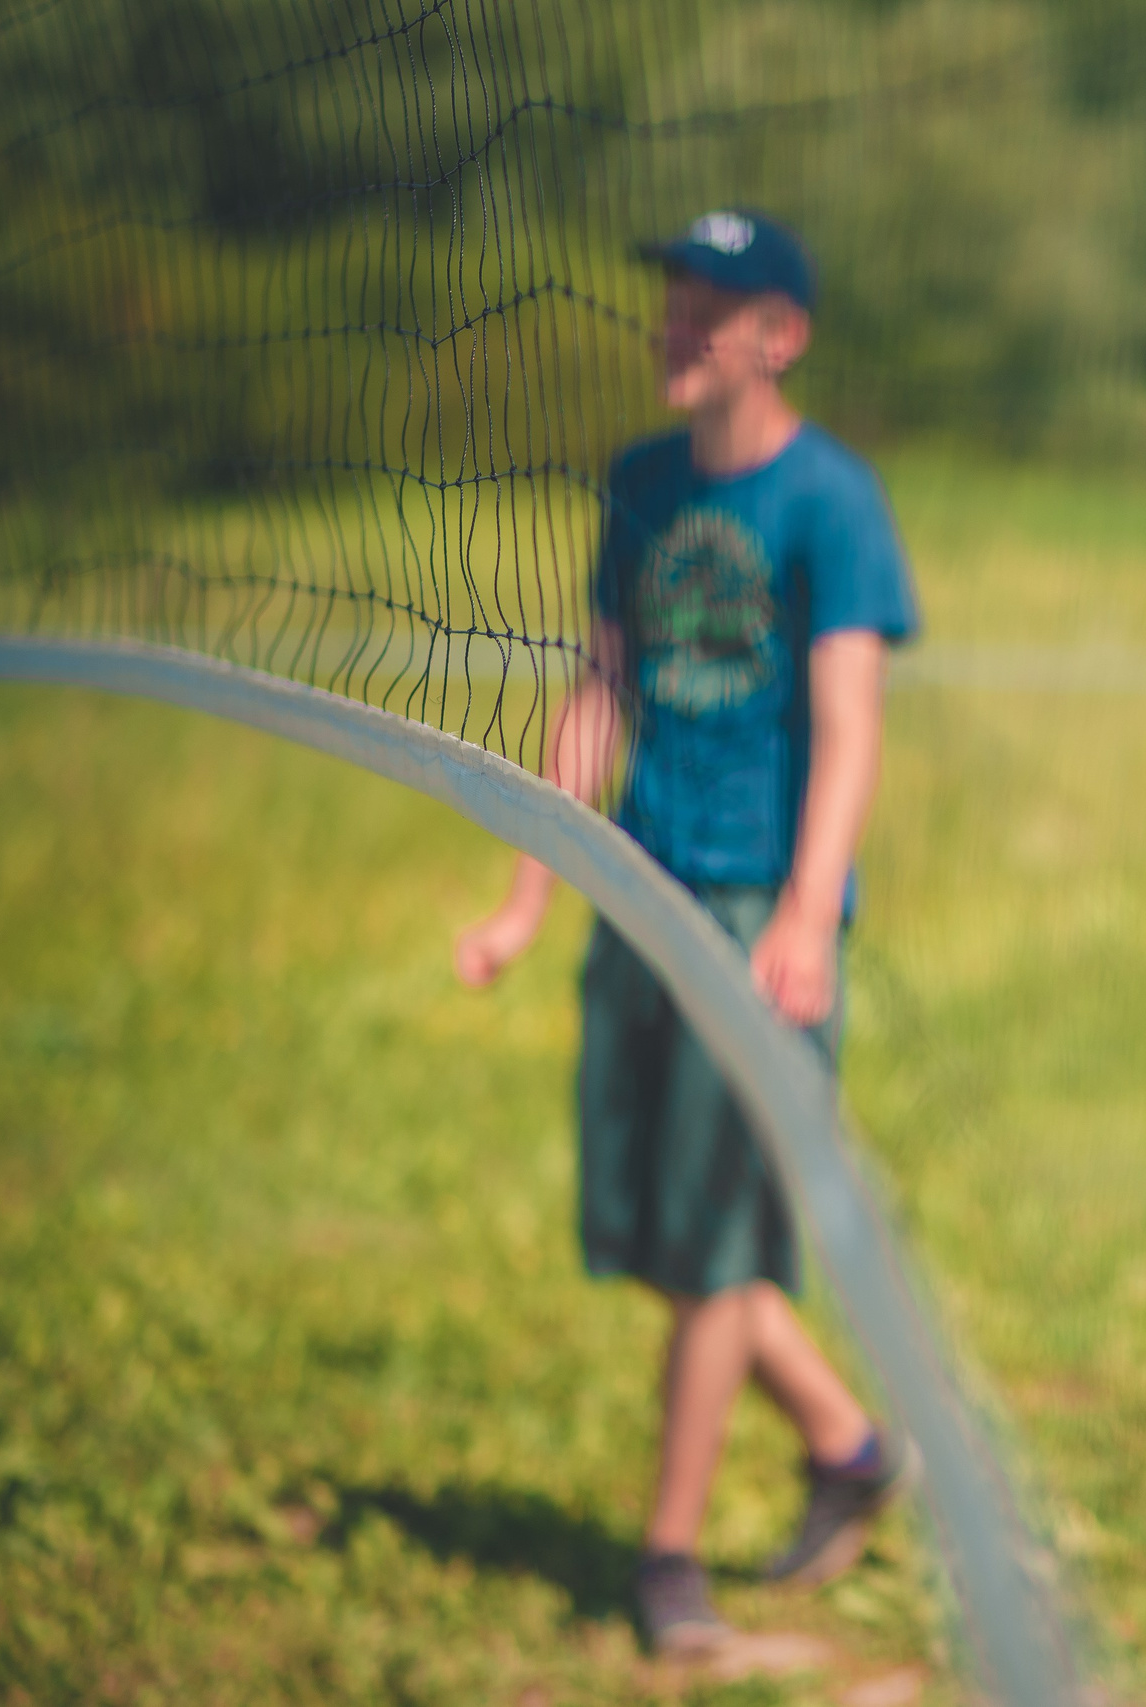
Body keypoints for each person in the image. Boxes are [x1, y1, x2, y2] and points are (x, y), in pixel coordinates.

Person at [452, 208, 919, 1665]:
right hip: (635, 888)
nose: (671, 327)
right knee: (659, 1233)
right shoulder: (642, 481)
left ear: (777, 336)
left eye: (705, 309)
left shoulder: (830, 500)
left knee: (716, 1251)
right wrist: (531, 889)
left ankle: (667, 1561)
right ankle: (849, 1444)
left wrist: (803, 914)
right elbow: (601, 690)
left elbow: (847, 727)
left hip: (751, 912)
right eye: (667, 302)